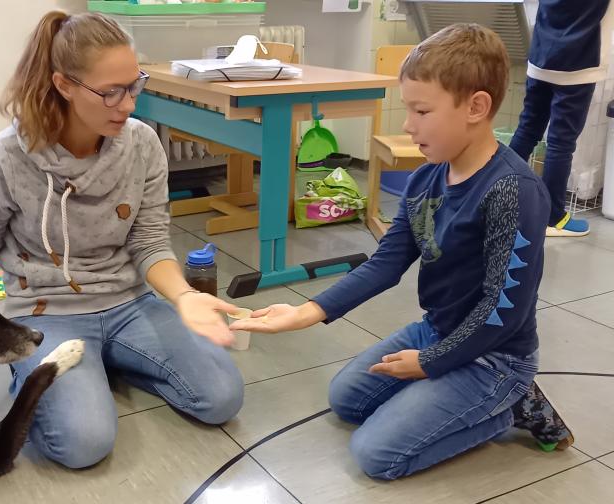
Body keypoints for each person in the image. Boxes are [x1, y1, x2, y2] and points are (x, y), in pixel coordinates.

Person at [230, 24, 572, 480]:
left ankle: (513, 404)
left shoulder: (515, 191)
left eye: (421, 110)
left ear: (476, 107)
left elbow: (502, 311)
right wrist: (305, 312)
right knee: (347, 399)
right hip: (437, 330)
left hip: (496, 356)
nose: (408, 124)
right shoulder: (427, 177)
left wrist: (431, 364)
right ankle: (462, 395)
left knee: (377, 455)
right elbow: (386, 263)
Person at [0, 10, 244, 469]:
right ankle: (48, 368)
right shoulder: (3, 157)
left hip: (128, 304)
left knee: (222, 398)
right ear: (64, 85)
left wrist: (183, 296)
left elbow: (149, 241)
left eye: (134, 84)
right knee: (83, 444)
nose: (128, 104)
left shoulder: (141, 145)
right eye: (111, 92)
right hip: (45, 315)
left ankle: (107, 361)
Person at [509, 0, 613, 237]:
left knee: (526, 131)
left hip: (541, 57)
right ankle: (553, 217)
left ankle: (493, 197)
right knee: (560, 143)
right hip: (578, 65)